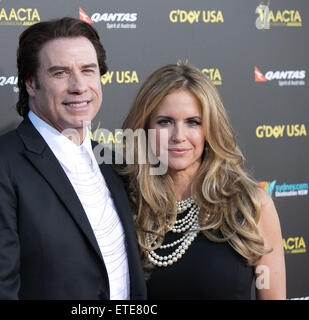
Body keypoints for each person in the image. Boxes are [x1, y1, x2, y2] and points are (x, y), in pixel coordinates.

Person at [0, 17, 146, 300]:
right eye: (60, 73)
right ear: (30, 83)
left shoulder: (113, 163)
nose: (79, 86)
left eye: (88, 70)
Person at [117, 63, 286, 299]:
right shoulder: (122, 201)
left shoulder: (251, 205)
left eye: (193, 122)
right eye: (165, 122)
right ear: (144, 128)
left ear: (210, 130)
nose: (179, 136)